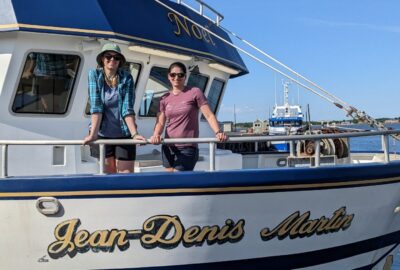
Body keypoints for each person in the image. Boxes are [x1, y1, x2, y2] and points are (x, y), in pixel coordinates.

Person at [150, 62, 228, 172]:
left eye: (180, 75)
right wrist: (156, 135)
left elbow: (209, 115)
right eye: (173, 75)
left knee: (178, 178)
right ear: (168, 76)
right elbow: (160, 122)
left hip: (188, 147)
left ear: (185, 77)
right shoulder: (164, 98)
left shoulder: (195, 92)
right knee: (169, 181)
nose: (176, 77)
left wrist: (218, 132)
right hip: (168, 147)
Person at [83, 43, 145, 174]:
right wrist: (93, 134)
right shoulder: (94, 75)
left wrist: (134, 134)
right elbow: (96, 105)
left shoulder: (126, 77)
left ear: (120, 61)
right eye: (108, 57)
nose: (112, 60)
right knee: (108, 176)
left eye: (116, 58)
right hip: (102, 134)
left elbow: (127, 108)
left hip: (123, 133)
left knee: (126, 175)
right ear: (102, 59)